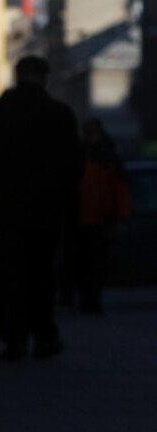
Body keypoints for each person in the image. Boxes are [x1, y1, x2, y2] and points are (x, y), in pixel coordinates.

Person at [0, 55, 83, 362]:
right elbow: (74, 167)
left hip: (4, 215)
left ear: (17, 76)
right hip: (46, 216)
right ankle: (43, 337)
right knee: (41, 278)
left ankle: (14, 340)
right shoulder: (60, 115)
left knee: (7, 278)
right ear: (45, 78)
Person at [76, 118, 130, 314]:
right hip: (85, 219)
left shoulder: (105, 156)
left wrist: (121, 217)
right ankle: (88, 300)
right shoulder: (89, 154)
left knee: (94, 264)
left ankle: (91, 300)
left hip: (98, 219)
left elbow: (120, 190)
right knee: (87, 264)